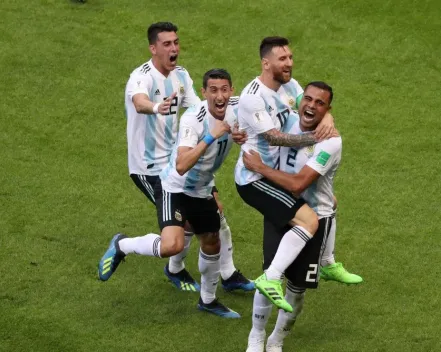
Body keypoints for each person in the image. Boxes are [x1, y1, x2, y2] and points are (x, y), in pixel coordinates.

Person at [99, 69, 244, 318]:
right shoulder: (193, 119)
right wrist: (213, 135)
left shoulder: (240, 107)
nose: (219, 96)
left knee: (211, 240)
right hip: (174, 188)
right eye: (213, 90)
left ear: (231, 91)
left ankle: (208, 301)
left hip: (202, 189)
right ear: (203, 93)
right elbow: (181, 164)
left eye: (224, 89)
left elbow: (268, 104)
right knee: (171, 245)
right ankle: (122, 244)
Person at [122, 21, 253, 292]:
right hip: (148, 167)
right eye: (167, 44)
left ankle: (223, 275)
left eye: (176, 43)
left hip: (179, 158)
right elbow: (139, 101)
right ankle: (135, 250)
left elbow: (200, 110)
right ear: (153, 48)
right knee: (180, 232)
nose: (174, 48)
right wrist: (158, 106)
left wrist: (232, 120)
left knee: (213, 212)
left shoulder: (181, 75)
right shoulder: (141, 76)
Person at [243, 81, 359, 351]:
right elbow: (251, 107)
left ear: (327, 109)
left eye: (321, 104)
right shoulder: (285, 121)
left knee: (297, 288)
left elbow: (298, 184)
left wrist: (261, 168)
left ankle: (276, 340)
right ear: (298, 100)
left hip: (315, 218)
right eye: (308, 99)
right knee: (268, 277)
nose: (312, 106)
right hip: (282, 209)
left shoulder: (331, 142)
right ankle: (256, 336)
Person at [234, 36, 336, 313]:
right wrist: (316, 136)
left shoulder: (289, 85)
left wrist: (328, 118)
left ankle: (325, 263)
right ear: (266, 63)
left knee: (325, 204)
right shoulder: (253, 97)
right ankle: (271, 278)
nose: (289, 63)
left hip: (272, 174)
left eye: (290, 57)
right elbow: (274, 137)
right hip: (254, 178)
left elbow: (310, 105)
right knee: (309, 220)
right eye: (283, 59)